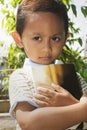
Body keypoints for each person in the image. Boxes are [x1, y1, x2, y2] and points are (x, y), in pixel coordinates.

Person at [9, 0, 87, 130]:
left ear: (65, 38)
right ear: (18, 39)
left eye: (55, 38)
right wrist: (81, 109)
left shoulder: (76, 77)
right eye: (37, 38)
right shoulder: (21, 77)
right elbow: (29, 123)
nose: (46, 48)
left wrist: (70, 103)